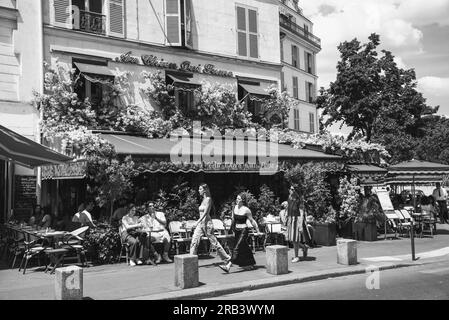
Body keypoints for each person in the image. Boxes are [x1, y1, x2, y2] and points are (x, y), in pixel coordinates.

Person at [190, 184, 231, 264]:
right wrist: (199, 223)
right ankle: (191, 261)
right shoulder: (203, 200)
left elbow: (206, 212)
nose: (199, 190)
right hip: (200, 224)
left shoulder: (208, 199)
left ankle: (226, 258)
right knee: (194, 240)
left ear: (205, 190)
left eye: (200, 189)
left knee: (214, 242)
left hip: (207, 224)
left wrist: (197, 221)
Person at [219, 193, 260, 273]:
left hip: (244, 231)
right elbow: (233, 220)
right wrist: (231, 229)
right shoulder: (234, 208)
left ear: (243, 201)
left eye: (239, 199)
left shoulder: (246, 210)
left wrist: (257, 230)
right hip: (237, 231)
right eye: (236, 198)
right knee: (244, 247)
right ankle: (250, 263)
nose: (237, 200)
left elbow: (252, 220)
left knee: (236, 248)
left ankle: (228, 266)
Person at [286, 185, 311, 263]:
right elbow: (288, 210)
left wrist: (300, 226)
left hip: (297, 220)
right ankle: (304, 247)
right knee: (291, 239)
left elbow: (301, 212)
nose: (290, 190)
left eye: (292, 189)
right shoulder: (289, 199)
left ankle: (296, 257)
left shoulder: (299, 200)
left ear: (295, 191)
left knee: (295, 240)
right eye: (290, 188)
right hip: (291, 220)